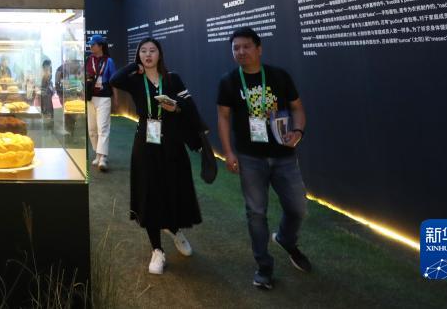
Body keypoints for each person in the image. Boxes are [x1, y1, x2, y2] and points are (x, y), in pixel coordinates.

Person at [217, 27, 311, 290]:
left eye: (246, 46)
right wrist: (229, 152)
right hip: (250, 158)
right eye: (236, 48)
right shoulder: (229, 81)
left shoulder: (279, 76)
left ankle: (285, 239)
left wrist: (298, 132)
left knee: (298, 208)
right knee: (256, 214)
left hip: (284, 156)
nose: (241, 52)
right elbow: (223, 117)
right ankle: (264, 267)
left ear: (259, 49)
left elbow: (297, 108)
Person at [109, 37, 204, 275]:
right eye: (143, 51)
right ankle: (157, 250)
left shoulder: (173, 78)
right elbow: (114, 79)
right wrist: (134, 66)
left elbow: (190, 106)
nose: (148, 55)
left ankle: (174, 229)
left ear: (160, 54)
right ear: (139, 55)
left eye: (152, 50)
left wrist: (176, 106)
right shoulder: (135, 79)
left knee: (174, 188)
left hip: (172, 142)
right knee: (149, 191)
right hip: (145, 142)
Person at [85, 34, 116, 171]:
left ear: (101, 46)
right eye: (90, 44)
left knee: (103, 128)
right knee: (92, 129)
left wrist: (116, 98)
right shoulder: (88, 59)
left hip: (104, 98)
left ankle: (103, 157)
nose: (91, 47)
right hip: (90, 98)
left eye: (93, 44)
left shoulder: (109, 61)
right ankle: (97, 154)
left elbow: (114, 81)